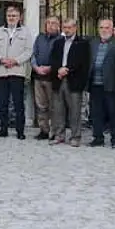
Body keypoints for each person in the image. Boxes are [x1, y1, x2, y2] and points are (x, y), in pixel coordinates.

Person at [0, 6, 33, 140]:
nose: (11, 18)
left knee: (18, 102)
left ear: (19, 17)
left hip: (17, 71)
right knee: (2, 102)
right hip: (1, 71)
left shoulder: (25, 32)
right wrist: (1, 59)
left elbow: (28, 51)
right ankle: (3, 128)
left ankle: (20, 130)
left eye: (14, 15)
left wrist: (15, 61)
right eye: (9, 15)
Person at [49, 18, 90, 147]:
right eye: (65, 27)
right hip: (58, 79)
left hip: (74, 79)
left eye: (69, 27)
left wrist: (67, 69)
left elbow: (82, 62)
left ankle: (75, 136)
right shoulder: (58, 43)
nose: (66, 30)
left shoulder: (82, 43)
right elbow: (53, 59)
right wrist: (58, 70)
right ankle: (59, 135)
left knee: (74, 110)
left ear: (75, 28)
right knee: (58, 110)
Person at [87, 19, 115, 148]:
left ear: (112, 29)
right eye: (101, 27)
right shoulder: (93, 43)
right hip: (95, 83)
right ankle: (98, 137)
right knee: (96, 112)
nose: (104, 30)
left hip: (111, 83)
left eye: (107, 27)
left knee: (113, 112)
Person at [31, 16, 61, 140]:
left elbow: (60, 58)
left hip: (52, 77)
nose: (50, 25)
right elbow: (33, 54)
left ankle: (55, 131)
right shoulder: (40, 38)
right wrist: (35, 67)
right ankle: (43, 129)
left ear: (58, 25)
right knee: (41, 105)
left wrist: (50, 67)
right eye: (48, 23)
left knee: (54, 106)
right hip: (38, 76)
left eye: (53, 23)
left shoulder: (61, 39)